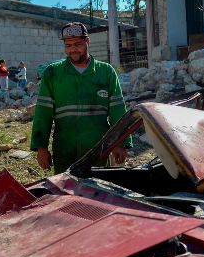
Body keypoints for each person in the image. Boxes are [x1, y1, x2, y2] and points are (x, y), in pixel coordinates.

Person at [31, 22, 132, 173]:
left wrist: (120, 143)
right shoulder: (52, 73)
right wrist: (41, 148)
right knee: (66, 193)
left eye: (78, 44)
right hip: (64, 149)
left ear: (88, 42)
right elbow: (43, 113)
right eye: (68, 45)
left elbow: (117, 110)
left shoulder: (106, 72)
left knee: (96, 192)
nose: (73, 49)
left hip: (98, 150)